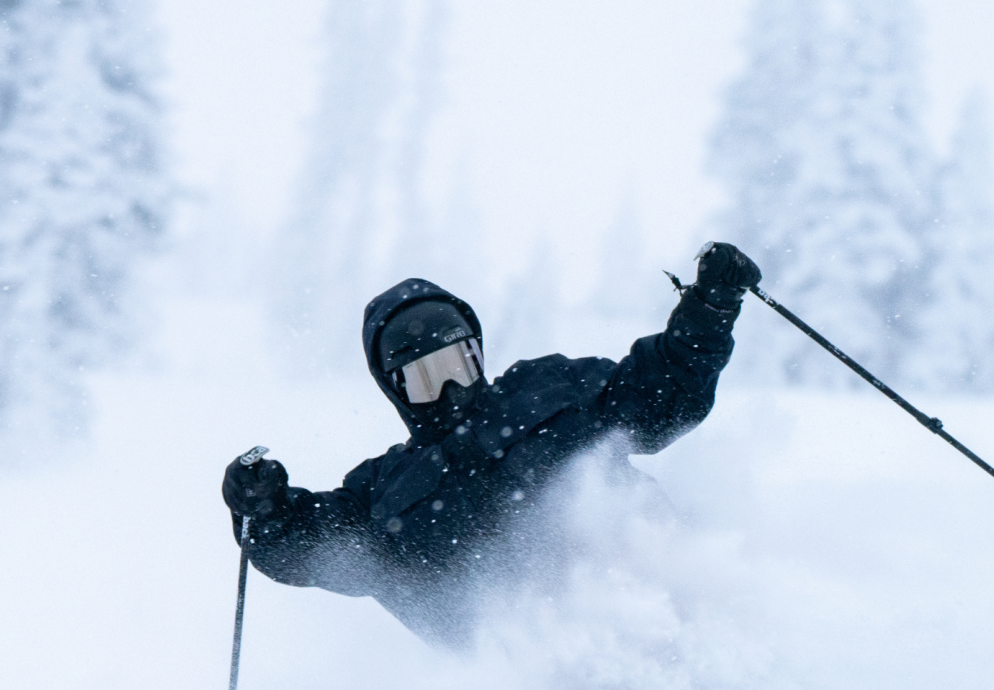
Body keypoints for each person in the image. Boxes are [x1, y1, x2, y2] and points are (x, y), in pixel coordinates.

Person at [222, 242, 761, 646]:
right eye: (426, 379)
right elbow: (311, 547)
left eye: (458, 365)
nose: (451, 389)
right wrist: (265, 511)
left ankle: (723, 664)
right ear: (396, 390)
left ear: (478, 353)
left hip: (654, 591)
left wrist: (708, 311)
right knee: (469, 603)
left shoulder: (549, 389)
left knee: (606, 515)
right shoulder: (384, 491)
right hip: (529, 650)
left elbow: (661, 400)